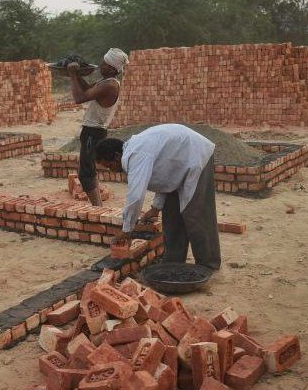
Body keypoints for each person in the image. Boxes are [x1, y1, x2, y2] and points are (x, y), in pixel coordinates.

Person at [95, 124, 220, 270]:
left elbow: (135, 196)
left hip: (196, 156)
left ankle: (208, 265)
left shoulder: (136, 155)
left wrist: (127, 229)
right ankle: (173, 262)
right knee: (171, 214)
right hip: (179, 165)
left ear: (117, 156)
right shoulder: (138, 150)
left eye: (110, 166)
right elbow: (164, 177)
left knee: (196, 214)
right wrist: (156, 208)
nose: (113, 170)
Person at [66, 48, 128, 206]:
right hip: (92, 131)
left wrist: (72, 74)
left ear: (113, 68)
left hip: (94, 132)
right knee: (89, 170)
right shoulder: (105, 82)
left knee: (86, 173)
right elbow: (87, 90)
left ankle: (97, 208)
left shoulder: (110, 85)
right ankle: (98, 207)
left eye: (104, 64)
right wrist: (78, 74)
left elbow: (79, 98)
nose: (101, 66)